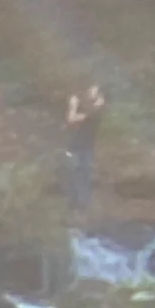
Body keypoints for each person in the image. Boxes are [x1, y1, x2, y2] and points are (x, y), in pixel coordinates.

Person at [64, 80, 107, 218]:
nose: (89, 92)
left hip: (81, 147)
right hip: (83, 147)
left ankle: (79, 208)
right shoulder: (94, 108)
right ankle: (80, 207)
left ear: (99, 92)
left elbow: (72, 119)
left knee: (79, 175)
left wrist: (73, 106)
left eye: (93, 89)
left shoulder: (96, 109)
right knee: (81, 175)